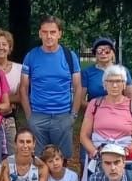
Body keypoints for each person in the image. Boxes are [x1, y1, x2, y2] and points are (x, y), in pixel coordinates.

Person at [20, 16, 84, 160]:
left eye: (53, 32)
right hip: (38, 116)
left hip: (63, 116)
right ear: (40, 33)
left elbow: (78, 87)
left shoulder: (69, 56)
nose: (49, 36)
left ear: (59, 34)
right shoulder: (31, 56)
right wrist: (30, 116)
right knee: (38, 160)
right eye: (45, 32)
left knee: (62, 160)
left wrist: (73, 116)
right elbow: (23, 88)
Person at [0, 29, 22, 140]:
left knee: (10, 154)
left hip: (10, 117)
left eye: (4, 44)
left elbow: (21, 97)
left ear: (9, 47)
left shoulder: (19, 69)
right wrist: (8, 101)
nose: (1, 47)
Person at [81, 37, 132, 101]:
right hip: (95, 109)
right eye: (99, 51)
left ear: (113, 53)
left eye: (107, 51)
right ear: (95, 54)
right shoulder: (87, 72)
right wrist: (96, 108)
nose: (103, 53)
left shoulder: (123, 71)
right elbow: (80, 101)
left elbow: (129, 98)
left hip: (119, 109)